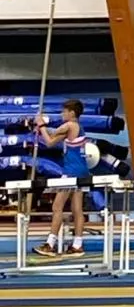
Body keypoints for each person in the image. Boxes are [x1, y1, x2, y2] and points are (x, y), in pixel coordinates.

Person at [33, 98, 88, 258]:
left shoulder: (71, 125)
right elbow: (50, 142)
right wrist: (42, 128)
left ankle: (50, 244)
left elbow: (51, 132)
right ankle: (77, 245)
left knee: (57, 207)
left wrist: (41, 124)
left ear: (72, 113)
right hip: (81, 170)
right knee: (77, 209)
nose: (62, 114)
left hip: (71, 172)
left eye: (64, 111)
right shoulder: (75, 129)